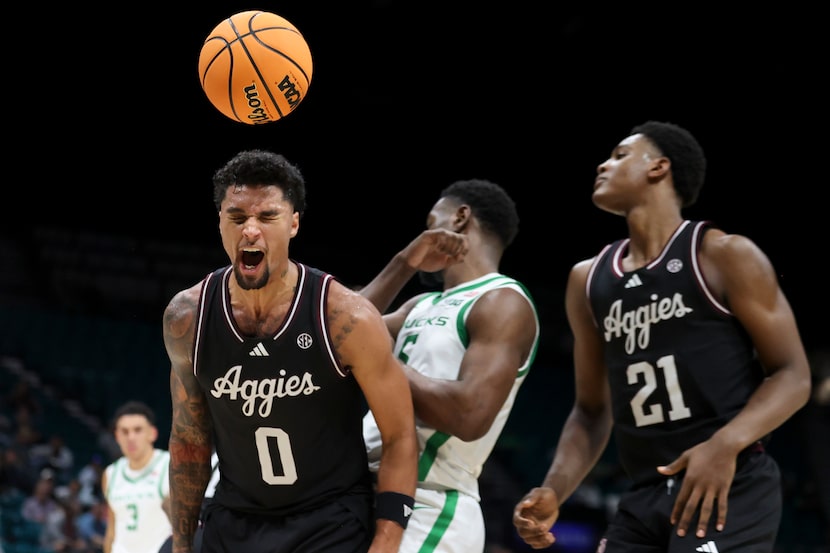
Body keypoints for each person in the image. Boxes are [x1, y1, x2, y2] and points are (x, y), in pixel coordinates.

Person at [512, 120, 812, 552]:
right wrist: (555, 489)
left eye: (619, 155)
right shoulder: (588, 279)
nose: (603, 164)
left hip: (728, 480)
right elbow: (592, 410)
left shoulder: (723, 255)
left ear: (659, 167)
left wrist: (724, 443)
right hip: (643, 492)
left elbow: (792, 374)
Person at [162, 149, 418, 553]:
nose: (250, 231)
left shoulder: (345, 318)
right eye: (237, 217)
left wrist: (386, 542)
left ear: (294, 222)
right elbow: (189, 436)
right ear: (220, 223)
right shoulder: (187, 318)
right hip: (234, 518)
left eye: (267, 217)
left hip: (328, 520)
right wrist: (180, 546)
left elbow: (400, 435)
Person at [360, 178, 540, 553]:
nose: (424, 234)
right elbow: (336, 331)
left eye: (431, 222)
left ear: (459, 218)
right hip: (364, 491)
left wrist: (378, 364)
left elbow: (469, 415)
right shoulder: (419, 306)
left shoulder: (503, 302)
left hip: (430, 505)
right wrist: (404, 263)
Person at [101, 400, 172, 553]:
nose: (131, 437)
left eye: (137, 430)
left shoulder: (170, 466)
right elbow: (111, 531)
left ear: (152, 433)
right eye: (124, 432)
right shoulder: (110, 474)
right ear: (117, 436)